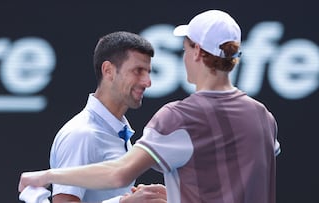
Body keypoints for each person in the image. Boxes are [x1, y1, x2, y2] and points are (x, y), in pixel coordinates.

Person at [19, 10, 281, 203]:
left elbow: (118, 174)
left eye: (184, 49)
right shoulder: (263, 117)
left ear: (198, 53)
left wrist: (47, 176)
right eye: (138, 71)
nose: (147, 81)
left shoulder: (179, 117)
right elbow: (231, 180)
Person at [46, 31, 166, 203]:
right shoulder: (82, 134)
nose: (147, 82)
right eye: (138, 71)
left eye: (148, 72)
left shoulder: (118, 132)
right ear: (108, 70)